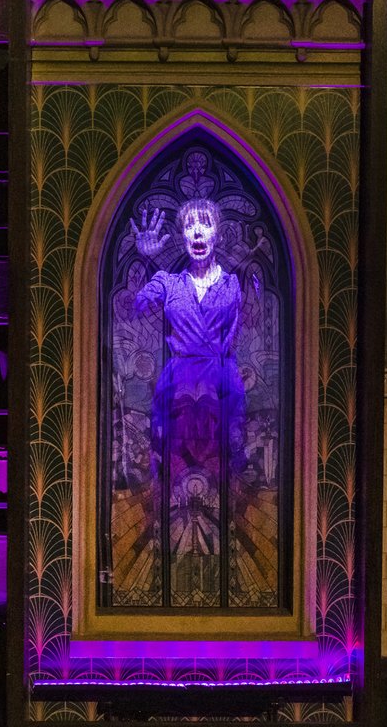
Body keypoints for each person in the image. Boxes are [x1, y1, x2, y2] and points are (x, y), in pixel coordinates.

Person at [125, 197, 245, 597]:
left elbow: (235, 339)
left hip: (218, 386)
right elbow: (135, 306)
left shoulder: (232, 284)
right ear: (181, 234)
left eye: (204, 224)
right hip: (177, 386)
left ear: (217, 233)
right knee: (170, 472)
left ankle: (225, 575)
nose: (196, 232)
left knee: (224, 472)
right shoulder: (168, 282)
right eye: (190, 225)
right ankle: (166, 573)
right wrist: (143, 262)